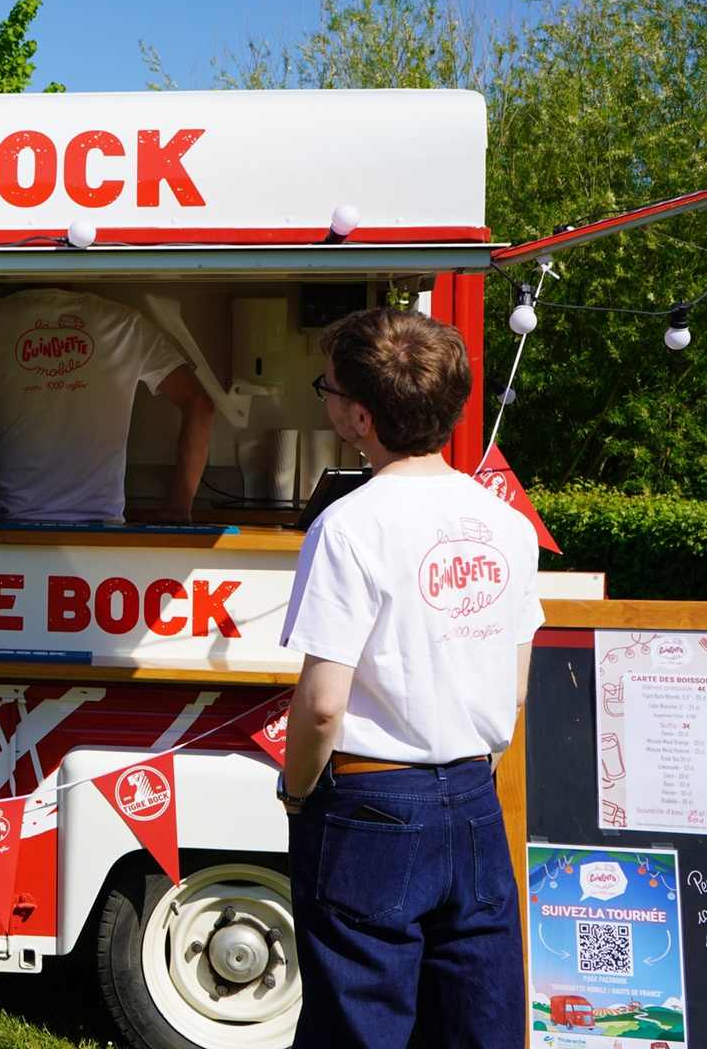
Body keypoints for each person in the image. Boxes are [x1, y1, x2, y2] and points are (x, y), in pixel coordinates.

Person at [277, 306, 544, 1049]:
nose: (327, 402)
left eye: (328, 389)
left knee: (358, 1026)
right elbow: (516, 685)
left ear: (360, 417)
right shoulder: (506, 523)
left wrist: (296, 792)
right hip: (473, 794)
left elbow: (322, 705)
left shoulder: (349, 525)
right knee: (476, 1024)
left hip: (370, 801)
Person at [0, 288, 215, 523]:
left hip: (15, 529)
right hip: (101, 531)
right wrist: (178, 509)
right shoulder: (125, 323)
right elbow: (200, 405)